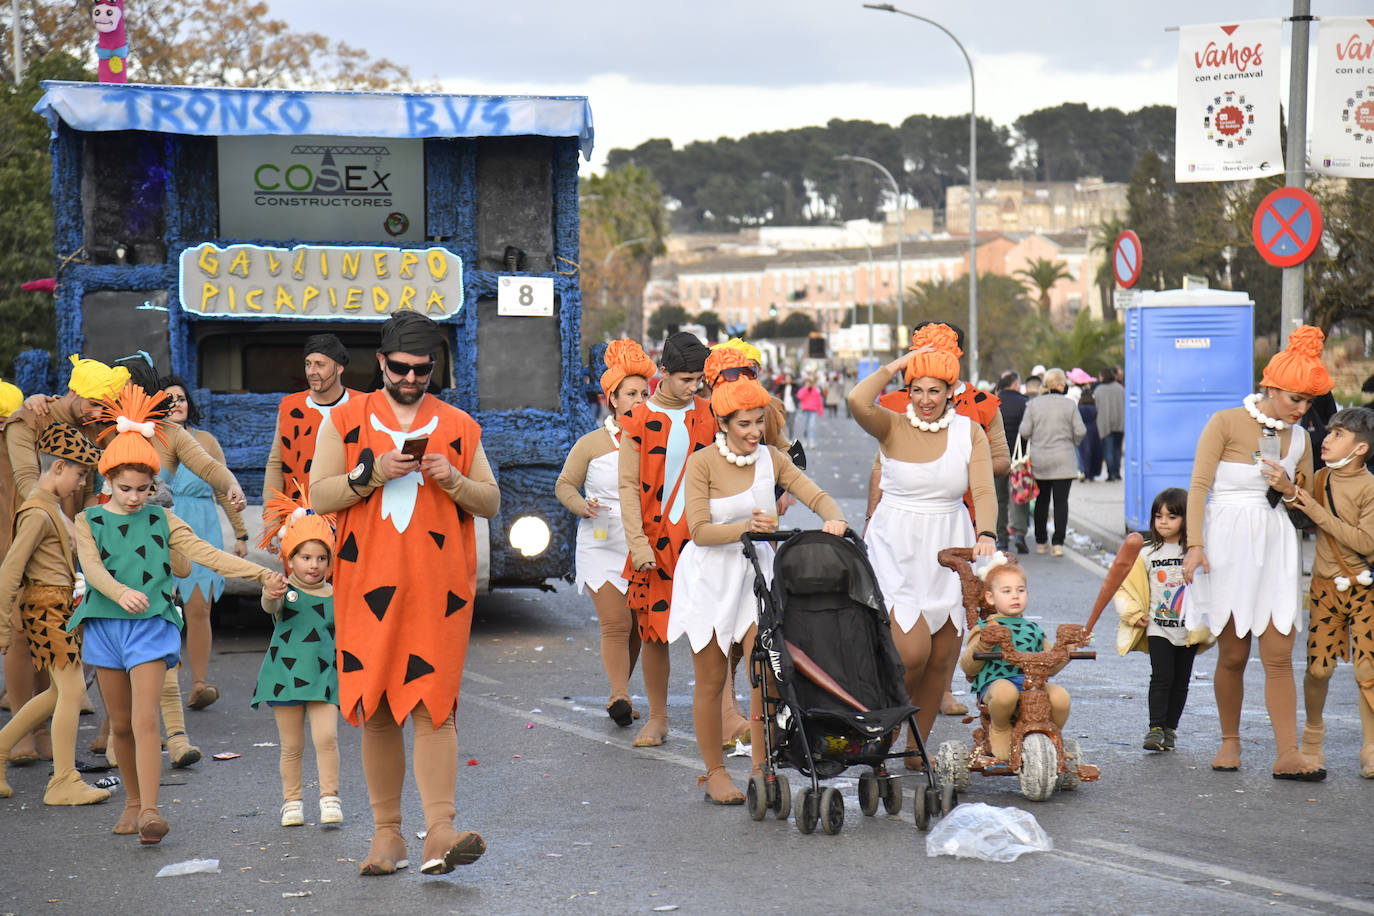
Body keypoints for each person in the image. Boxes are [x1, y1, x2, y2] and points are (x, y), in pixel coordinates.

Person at [311, 311, 500, 876]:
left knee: (433, 706)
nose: (412, 379)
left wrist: (454, 480)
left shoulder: (460, 425)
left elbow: (489, 501)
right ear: (381, 364)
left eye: (423, 370)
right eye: (401, 369)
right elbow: (320, 496)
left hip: (437, 591)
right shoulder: (344, 421)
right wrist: (371, 475)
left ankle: (439, 830)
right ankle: (386, 836)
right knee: (374, 708)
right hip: (364, 586)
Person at [72, 384, 284, 842]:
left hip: (150, 627)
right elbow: (90, 568)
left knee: (147, 720)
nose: (133, 497)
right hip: (106, 628)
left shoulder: (162, 518)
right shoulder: (87, 521)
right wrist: (117, 590)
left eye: (143, 489)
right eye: (124, 488)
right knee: (122, 725)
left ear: (154, 485)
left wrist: (258, 574)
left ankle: (150, 810)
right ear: (107, 482)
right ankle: (131, 803)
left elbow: (208, 554)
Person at [670, 347, 846, 803]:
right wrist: (745, 527)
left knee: (765, 676)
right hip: (711, 575)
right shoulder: (702, 463)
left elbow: (814, 493)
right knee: (711, 682)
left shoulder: (772, 458)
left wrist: (834, 517)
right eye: (743, 423)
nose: (754, 432)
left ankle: (762, 767)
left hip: (757, 577)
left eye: (759, 421)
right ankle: (713, 772)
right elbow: (699, 531)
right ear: (723, 424)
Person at [1182, 325, 1330, 780]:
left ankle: (1288, 753)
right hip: (1226, 543)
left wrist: (1290, 490)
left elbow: (1307, 504)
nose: (1301, 409)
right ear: (1269, 387)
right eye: (1294, 398)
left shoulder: (1302, 440)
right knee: (1232, 654)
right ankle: (1230, 741)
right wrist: (1194, 545)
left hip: (1277, 544)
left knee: (1280, 653)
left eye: (1307, 402)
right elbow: (1199, 487)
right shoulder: (1225, 422)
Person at [848, 324, 996, 759]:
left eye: (935, 390)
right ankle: (886, 728)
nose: (926, 400)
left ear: (951, 391)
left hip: (949, 546)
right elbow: (857, 400)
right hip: (896, 547)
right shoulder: (889, 425)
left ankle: (916, 747)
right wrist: (897, 364)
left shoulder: (970, 432)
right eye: (917, 389)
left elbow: (984, 490)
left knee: (940, 658)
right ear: (907, 390)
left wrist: (985, 533)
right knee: (910, 652)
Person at [1, 356, 128, 764]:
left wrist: (94, 522)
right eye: (92, 403)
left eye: (101, 407)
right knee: (22, 630)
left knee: (49, 626)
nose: (97, 412)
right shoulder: (28, 420)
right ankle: (26, 731)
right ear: (73, 393)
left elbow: (89, 485)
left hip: (64, 536)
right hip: (23, 528)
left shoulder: (89, 427)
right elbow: (26, 481)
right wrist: (63, 522)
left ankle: (41, 729)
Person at [0, 423, 110, 805]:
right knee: (73, 690)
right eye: (79, 474)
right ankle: (63, 780)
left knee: (55, 693)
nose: (81, 484)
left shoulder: (50, 507)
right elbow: (10, 570)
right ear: (58, 467)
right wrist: (1, 627)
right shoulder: (37, 511)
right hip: (46, 608)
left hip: (58, 607)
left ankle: (0, 751)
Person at [617, 331, 716, 749]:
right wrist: (638, 544)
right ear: (664, 373)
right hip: (655, 542)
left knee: (713, 631)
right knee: (653, 631)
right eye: (686, 380)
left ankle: (723, 714)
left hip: (704, 539)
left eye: (698, 379)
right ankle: (657, 717)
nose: (694, 387)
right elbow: (626, 486)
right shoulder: (637, 419)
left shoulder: (713, 414)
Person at [555, 339, 654, 727]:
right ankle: (619, 694)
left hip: (642, 544)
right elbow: (564, 485)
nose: (639, 400)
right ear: (611, 399)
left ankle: (621, 693)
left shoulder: (657, 440)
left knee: (637, 629)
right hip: (600, 541)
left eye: (645, 393)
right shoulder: (591, 443)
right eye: (631, 393)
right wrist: (582, 506)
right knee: (616, 623)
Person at [1288, 407, 1374, 778]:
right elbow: (1297, 515)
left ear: (1360, 449)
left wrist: (1317, 512)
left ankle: (1370, 747)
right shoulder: (1318, 480)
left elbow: (1366, 542)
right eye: (1329, 432)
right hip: (1324, 588)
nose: (1326, 438)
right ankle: (1312, 737)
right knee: (1319, 670)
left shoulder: (1370, 488)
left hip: (1364, 588)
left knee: (1368, 671)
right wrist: (1288, 490)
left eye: (1338, 435)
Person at [254, 484, 342, 828]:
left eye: (322, 558)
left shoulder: (337, 594)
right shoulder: (283, 590)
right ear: (290, 559)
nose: (314, 565)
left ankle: (330, 798)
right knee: (291, 745)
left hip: (323, 676)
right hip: (285, 677)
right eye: (305, 558)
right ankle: (292, 802)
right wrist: (269, 592)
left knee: (327, 738)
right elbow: (269, 606)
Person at [158, 376, 248, 711]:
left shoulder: (205, 441)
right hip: (162, 524)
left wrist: (240, 534)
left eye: (180, 398)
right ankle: (163, 689)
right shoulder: (150, 439)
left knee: (199, 608)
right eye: (168, 399)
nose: (176, 404)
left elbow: (224, 488)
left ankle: (199, 683)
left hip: (201, 525)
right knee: (162, 608)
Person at [1113, 488, 1212, 752]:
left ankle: (1170, 729)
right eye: (1158, 516)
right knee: (1161, 677)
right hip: (1158, 627)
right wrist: (1134, 615)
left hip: (1189, 628)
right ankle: (1155, 727)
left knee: (1181, 682)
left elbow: (1214, 585)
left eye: (1171, 516)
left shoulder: (1197, 553)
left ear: (1186, 520)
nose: (1163, 522)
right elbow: (1127, 587)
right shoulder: (1147, 553)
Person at [960, 562, 1069, 761]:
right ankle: (1000, 729)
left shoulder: (1034, 629)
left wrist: (1066, 650)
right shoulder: (986, 627)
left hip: (1032, 684)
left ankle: (1052, 734)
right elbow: (968, 665)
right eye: (1007, 591)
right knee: (1005, 693)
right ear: (990, 598)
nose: (1015, 596)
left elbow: (1050, 666)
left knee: (1060, 697)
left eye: (1020, 590)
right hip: (996, 683)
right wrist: (983, 644)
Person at [264, 334, 358, 503]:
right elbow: (276, 463)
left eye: (320, 365)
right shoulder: (289, 407)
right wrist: (271, 518)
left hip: (349, 513)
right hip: (299, 513)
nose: (312, 371)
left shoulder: (362, 406)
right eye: (308, 364)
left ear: (339, 368)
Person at [1019, 368, 1085, 556]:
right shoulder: (1069, 405)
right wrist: (1072, 442)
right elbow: (1080, 431)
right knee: (1061, 502)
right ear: (1058, 384)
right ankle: (1058, 544)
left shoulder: (1033, 405)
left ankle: (1041, 542)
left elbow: (1024, 431)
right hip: (1064, 460)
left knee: (1042, 500)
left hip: (1040, 460)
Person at [994, 372, 1029, 553]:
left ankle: (1001, 538)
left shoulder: (993, 402)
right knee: (1019, 496)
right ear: (1015, 384)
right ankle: (1020, 533)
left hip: (997, 456)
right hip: (1019, 457)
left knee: (1000, 499)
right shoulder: (1025, 403)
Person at [1096, 367, 1125, 481]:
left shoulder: (1099, 390)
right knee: (1117, 449)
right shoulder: (1120, 388)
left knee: (1108, 449)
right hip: (1119, 423)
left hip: (1105, 423)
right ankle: (1117, 472)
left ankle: (1111, 473)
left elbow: (1097, 407)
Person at [1075, 382, 1102, 482]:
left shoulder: (1079, 408)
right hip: (1093, 429)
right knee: (1093, 451)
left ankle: (1084, 470)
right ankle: (1092, 473)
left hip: (1083, 429)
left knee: (1083, 452)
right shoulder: (1094, 408)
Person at [795, 375, 823, 448]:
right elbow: (799, 396)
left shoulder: (815, 390)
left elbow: (819, 400)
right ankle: (805, 441)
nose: (808, 384)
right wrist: (806, 389)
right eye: (806, 383)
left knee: (812, 426)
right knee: (805, 427)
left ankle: (811, 441)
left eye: (809, 383)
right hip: (805, 411)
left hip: (813, 411)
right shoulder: (803, 390)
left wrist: (820, 411)